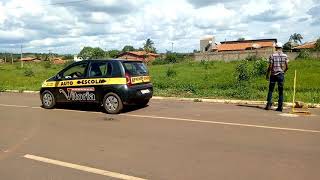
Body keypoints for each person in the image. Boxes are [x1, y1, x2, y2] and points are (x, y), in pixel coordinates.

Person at [265, 42, 289, 112]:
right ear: (281, 48)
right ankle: (280, 107)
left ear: (276, 48)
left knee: (271, 90)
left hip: (273, 75)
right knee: (280, 91)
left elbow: (270, 66)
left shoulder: (272, 55)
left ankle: (269, 105)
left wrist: (267, 74)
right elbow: (287, 67)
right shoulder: (285, 56)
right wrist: (283, 72)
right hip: (281, 75)